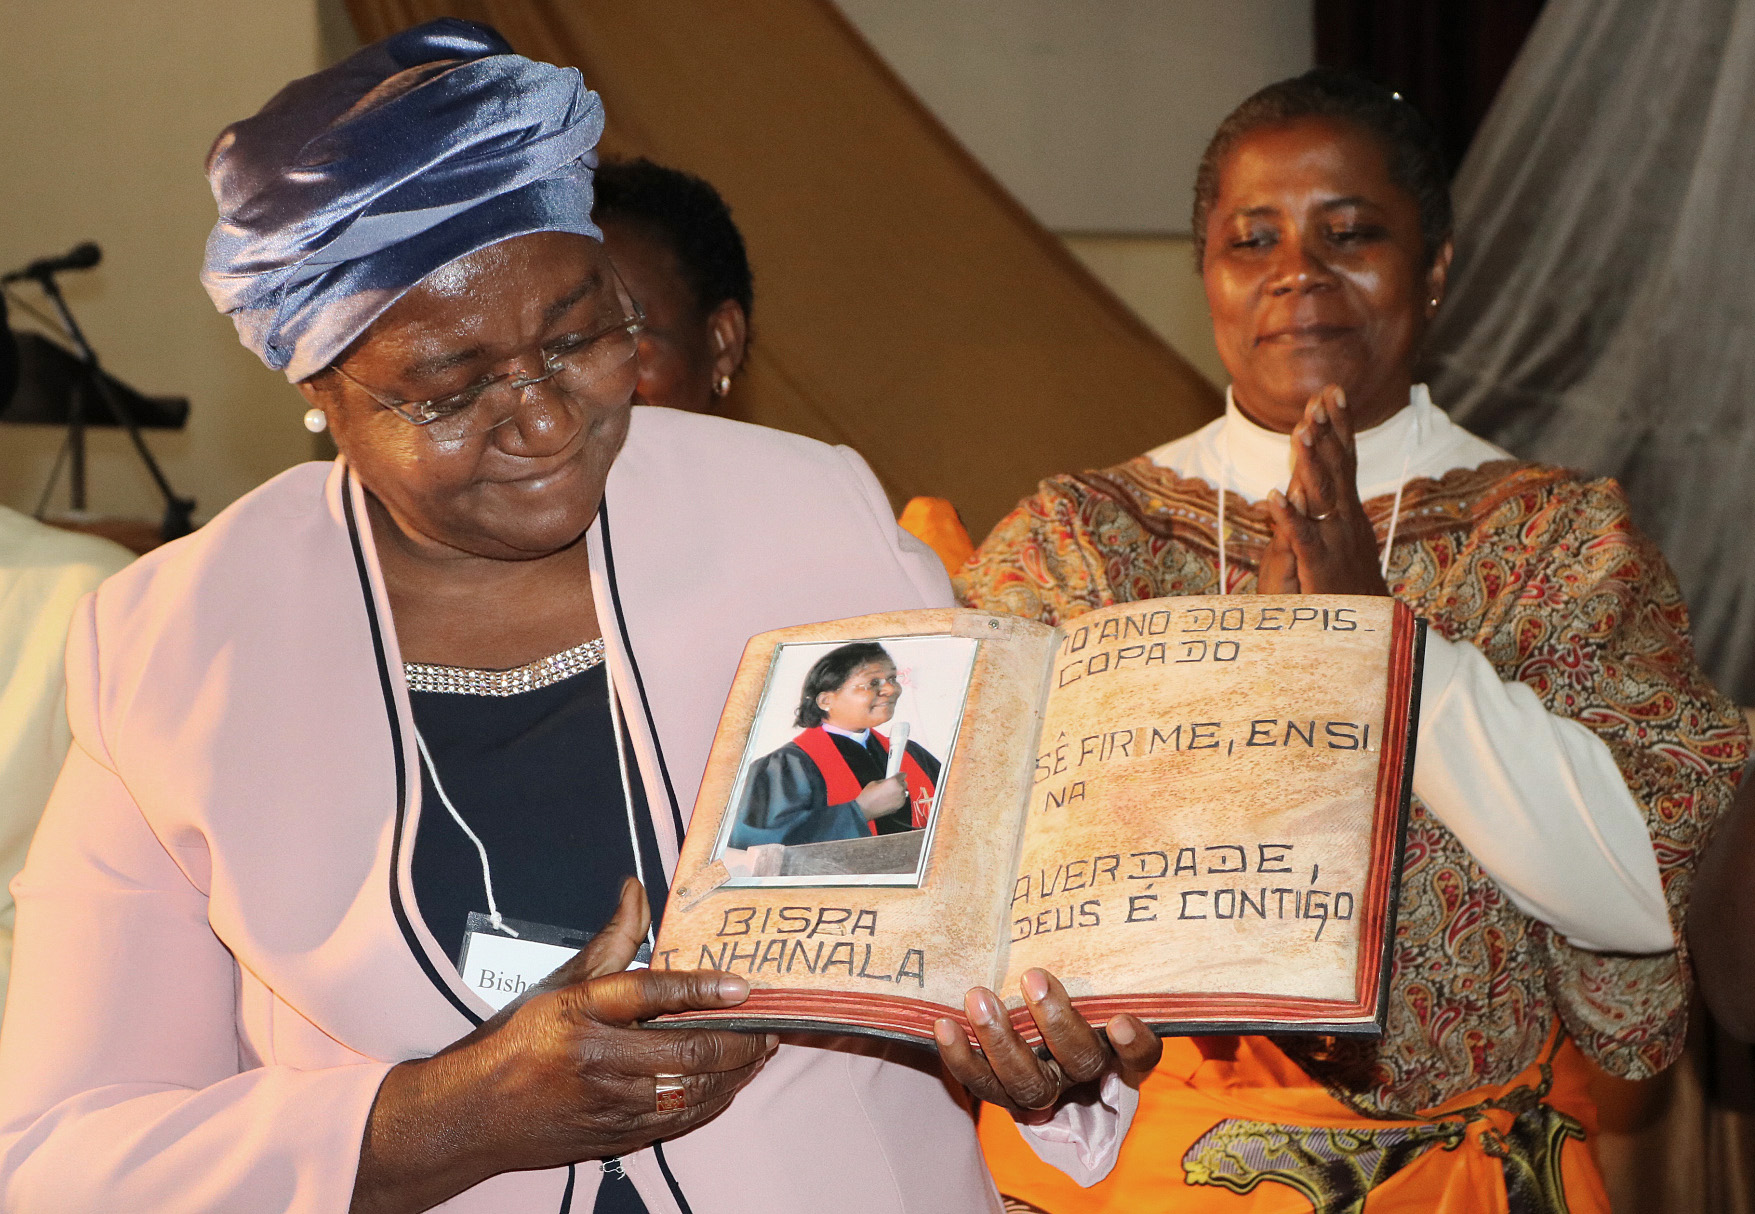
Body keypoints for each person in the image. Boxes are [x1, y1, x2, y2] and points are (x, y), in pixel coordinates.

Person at [0, 23, 1163, 1213]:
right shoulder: (176, 648)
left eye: (579, 338)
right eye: (451, 389)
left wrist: (1037, 1056)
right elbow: (62, 1153)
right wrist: (461, 1110)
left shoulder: (808, 520)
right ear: (321, 388)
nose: (549, 427)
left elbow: (990, 932)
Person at [960, 69, 1748, 1213]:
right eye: (1253, 238)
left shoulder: (1559, 537)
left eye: (1351, 232)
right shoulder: (1078, 541)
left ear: (1432, 268)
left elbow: (1639, 883)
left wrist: (1383, 642)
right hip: (1152, 1176)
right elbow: (987, 880)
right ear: (1210, 277)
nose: (1299, 273)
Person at [730, 642, 939, 848]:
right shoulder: (787, 766)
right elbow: (756, 843)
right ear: (825, 701)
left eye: (893, 678)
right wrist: (860, 810)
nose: (891, 689)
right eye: (873, 683)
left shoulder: (912, 754)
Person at [594, 157, 751, 415]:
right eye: (560, 348)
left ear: (723, 342)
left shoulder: (807, 457)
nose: (581, 381)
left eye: (617, 331)